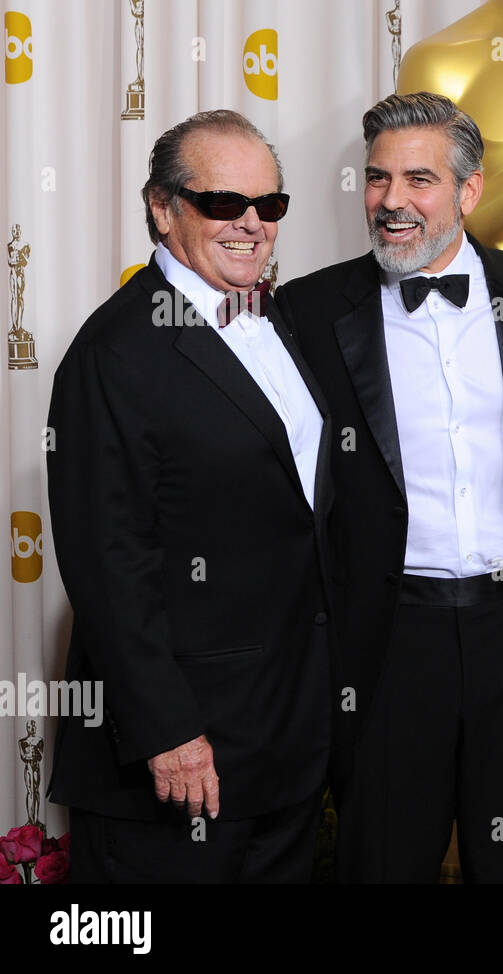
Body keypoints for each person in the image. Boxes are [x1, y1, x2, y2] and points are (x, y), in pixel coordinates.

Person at [275, 92, 503, 883]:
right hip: (387, 644)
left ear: (470, 191)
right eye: (378, 179)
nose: (392, 202)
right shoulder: (311, 309)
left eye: (418, 180)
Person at [46, 110, 332, 882]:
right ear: (162, 207)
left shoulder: (284, 321)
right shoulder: (116, 351)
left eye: (269, 206)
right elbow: (107, 560)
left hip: (288, 742)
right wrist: (168, 731)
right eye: (222, 204)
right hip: (181, 760)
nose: (251, 224)